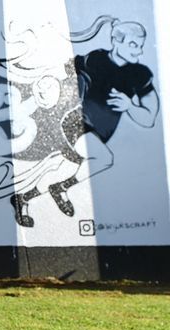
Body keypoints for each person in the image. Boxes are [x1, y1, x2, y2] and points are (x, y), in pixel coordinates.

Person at [10, 20, 159, 227]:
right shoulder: (95, 58)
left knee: (62, 169)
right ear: (116, 41)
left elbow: (149, 118)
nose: (139, 50)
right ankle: (61, 188)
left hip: (100, 133)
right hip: (76, 123)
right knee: (104, 158)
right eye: (133, 45)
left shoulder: (140, 74)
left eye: (141, 45)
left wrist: (129, 106)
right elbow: (61, 70)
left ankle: (23, 198)